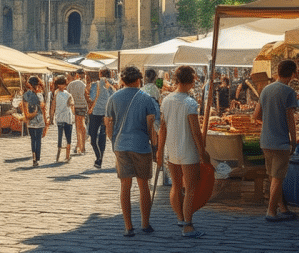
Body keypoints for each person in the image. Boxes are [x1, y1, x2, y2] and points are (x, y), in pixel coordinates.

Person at [156, 65, 210, 238]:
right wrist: (202, 151)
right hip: (188, 150)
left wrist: (160, 150)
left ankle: (181, 218)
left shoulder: (167, 100)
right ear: (192, 80)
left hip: (172, 149)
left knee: (177, 186)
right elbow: (195, 131)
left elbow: (162, 129)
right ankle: (187, 225)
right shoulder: (189, 102)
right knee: (191, 188)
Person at [105, 66, 158, 237]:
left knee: (125, 186)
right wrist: (152, 142)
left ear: (122, 80)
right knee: (144, 186)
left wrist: (114, 140)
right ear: (138, 80)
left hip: (121, 145)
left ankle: (128, 226)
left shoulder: (113, 98)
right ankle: (145, 223)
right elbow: (151, 125)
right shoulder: (146, 98)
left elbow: (108, 123)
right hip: (141, 145)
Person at [253, 60, 299, 222]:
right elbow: (290, 119)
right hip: (280, 142)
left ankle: (283, 208)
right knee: (278, 178)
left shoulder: (266, 89)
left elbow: (256, 116)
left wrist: (269, 121)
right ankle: (271, 211)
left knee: (273, 177)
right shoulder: (288, 92)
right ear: (293, 73)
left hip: (265, 140)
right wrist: (294, 140)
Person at [87, 68, 114, 169]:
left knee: (93, 138)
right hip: (107, 113)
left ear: (100, 74)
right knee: (103, 135)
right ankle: (100, 159)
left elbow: (93, 97)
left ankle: (98, 158)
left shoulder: (96, 84)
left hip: (96, 112)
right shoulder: (113, 85)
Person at [50, 75, 75, 163]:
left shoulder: (56, 93)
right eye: (64, 84)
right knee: (68, 136)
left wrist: (51, 116)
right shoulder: (67, 94)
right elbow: (72, 105)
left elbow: (53, 106)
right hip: (66, 118)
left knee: (63, 136)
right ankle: (66, 156)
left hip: (61, 118)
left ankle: (62, 155)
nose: (65, 85)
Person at [24, 76, 47, 167]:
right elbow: (43, 109)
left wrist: (26, 118)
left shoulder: (26, 95)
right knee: (38, 140)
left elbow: (24, 108)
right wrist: (46, 121)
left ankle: (34, 158)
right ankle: (37, 159)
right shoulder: (40, 95)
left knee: (33, 140)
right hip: (40, 120)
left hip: (30, 120)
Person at [67, 69, 88, 154]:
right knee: (82, 125)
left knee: (78, 128)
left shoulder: (70, 85)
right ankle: (82, 146)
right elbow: (86, 95)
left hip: (75, 106)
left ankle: (79, 146)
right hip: (83, 106)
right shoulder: (83, 84)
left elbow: (68, 97)